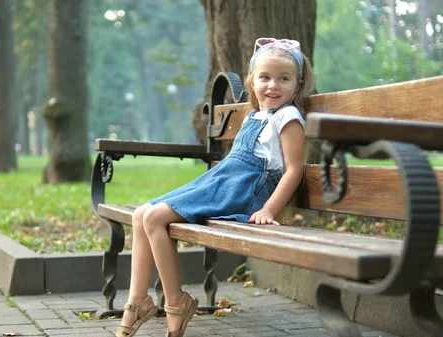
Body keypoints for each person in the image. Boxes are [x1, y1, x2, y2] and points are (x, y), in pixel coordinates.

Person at [115, 37, 315, 337]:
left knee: (154, 217)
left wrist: (268, 209)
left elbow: (293, 170)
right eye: (265, 78)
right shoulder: (255, 115)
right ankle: (138, 300)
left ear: (297, 85)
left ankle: (175, 303)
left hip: (245, 191)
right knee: (141, 214)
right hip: (224, 182)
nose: (273, 86)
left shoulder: (288, 117)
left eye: (283, 79)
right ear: (252, 80)